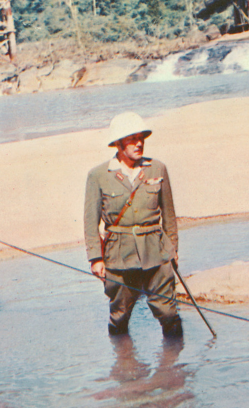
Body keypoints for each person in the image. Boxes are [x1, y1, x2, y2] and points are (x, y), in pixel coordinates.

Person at [85, 112, 182, 337]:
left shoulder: (157, 169)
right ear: (118, 143)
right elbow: (90, 221)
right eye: (132, 139)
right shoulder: (98, 175)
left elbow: (169, 216)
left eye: (142, 138)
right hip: (119, 257)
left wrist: (173, 251)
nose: (139, 144)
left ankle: (175, 369)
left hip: (156, 253)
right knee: (120, 314)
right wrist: (96, 259)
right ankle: (123, 366)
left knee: (168, 313)